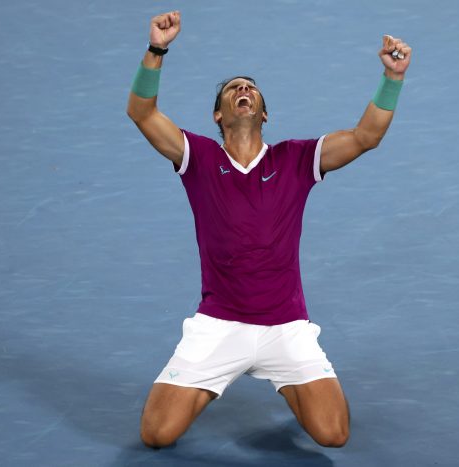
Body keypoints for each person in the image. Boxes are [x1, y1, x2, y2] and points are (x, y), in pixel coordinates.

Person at [126, 10, 411, 449]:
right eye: (232, 89)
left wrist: (392, 78)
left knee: (333, 434)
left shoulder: (297, 159)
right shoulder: (197, 157)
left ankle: (288, 385)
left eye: (250, 88)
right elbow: (141, 112)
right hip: (218, 325)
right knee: (156, 434)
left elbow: (365, 136)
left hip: (286, 328)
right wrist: (156, 49)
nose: (243, 90)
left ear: (264, 113)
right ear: (218, 116)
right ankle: (217, 379)